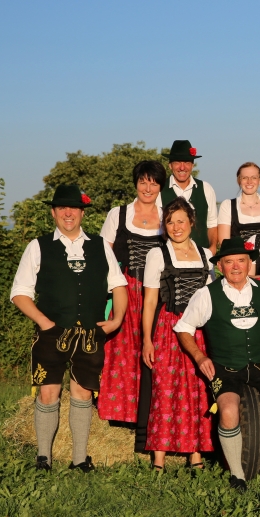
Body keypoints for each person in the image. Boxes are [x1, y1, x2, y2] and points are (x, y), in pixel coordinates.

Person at [174, 238, 260, 491]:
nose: (236, 266)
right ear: (220, 266)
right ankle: (237, 476)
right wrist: (200, 357)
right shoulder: (206, 294)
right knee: (228, 411)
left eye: (241, 260)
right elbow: (184, 328)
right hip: (225, 368)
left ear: (250, 264)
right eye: (229, 262)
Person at [10, 185, 128, 472]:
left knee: (83, 393)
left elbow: (119, 285)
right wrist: (45, 323)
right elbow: (19, 293)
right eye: (62, 208)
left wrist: (116, 321)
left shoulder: (100, 245)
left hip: (90, 333)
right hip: (52, 332)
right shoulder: (38, 246)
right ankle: (43, 458)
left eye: (73, 208)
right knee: (48, 392)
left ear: (82, 212)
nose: (68, 213)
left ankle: (79, 459)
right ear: (53, 212)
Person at [140, 197, 215, 470]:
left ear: (192, 222)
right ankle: (159, 456)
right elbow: (150, 301)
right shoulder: (157, 254)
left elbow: (212, 298)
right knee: (165, 388)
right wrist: (146, 340)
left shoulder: (206, 255)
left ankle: (195, 452)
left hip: (199, 330)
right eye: (170, 222)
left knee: (197, 388)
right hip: (169, 327)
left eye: (181, 221)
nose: (176, 227)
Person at [97, 160, 165, 425]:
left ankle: (152, 410)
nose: (148, 188)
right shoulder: (118, 214)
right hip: (125, 290)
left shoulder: (168, 215)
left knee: (154, 348)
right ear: (135, 183)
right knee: (122, 351)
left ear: (160, 186)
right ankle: (121, 413)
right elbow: (103, 253)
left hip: (156, 293)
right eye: (143, 182)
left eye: (153, 183)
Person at [158, 140, 218, 252]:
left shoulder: (206, 188)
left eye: (186, 162)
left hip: (203, 255)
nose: (182, 167)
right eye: (177, 162)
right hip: (170, 257)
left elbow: (212, 224)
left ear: (192, 165)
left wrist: (212, 249)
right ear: (170, 165)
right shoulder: (159, 190)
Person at [217, 161, 260, 244]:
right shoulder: (228, 206)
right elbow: (224, 243)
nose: (249, 182)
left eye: (254, 177)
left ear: (259, 180)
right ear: (239, 181)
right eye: (245, 178)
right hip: (237, 252)